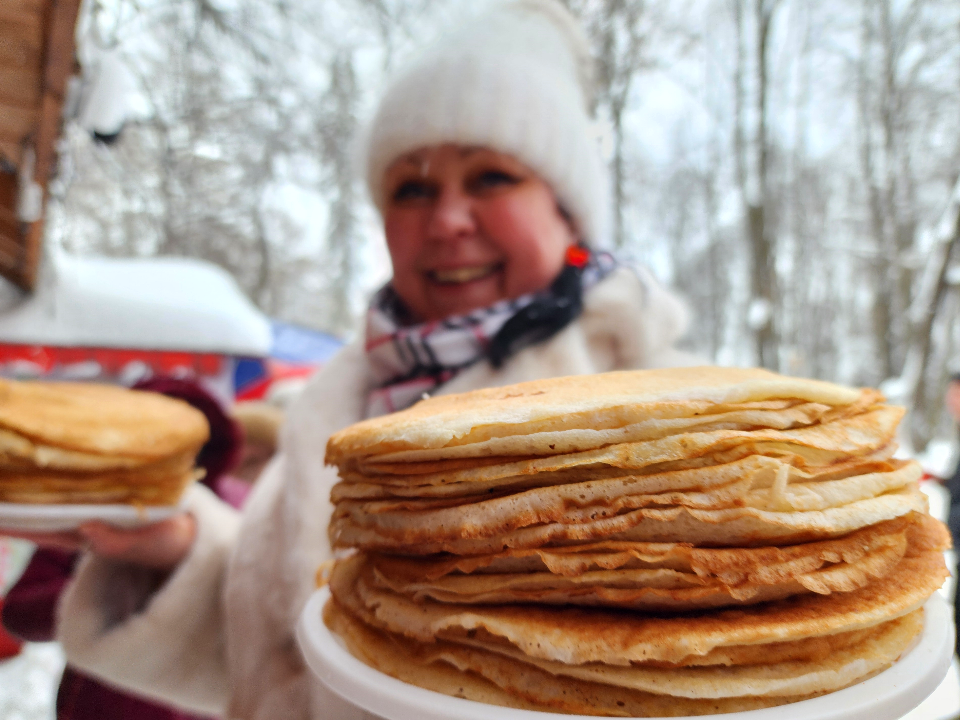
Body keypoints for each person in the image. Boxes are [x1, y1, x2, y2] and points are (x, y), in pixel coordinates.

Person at [8, 2, 696, 717]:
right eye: (413, 188)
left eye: (491, 177)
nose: (448, 219)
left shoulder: (682, 428)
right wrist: (177, 547)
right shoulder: (339, 408)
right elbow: (281, 657)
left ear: (569, 210)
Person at [1, 377, 243, 720]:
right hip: (98, 704)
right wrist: (104, 594)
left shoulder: (239, 512)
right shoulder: (83, 511)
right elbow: (19, 614)